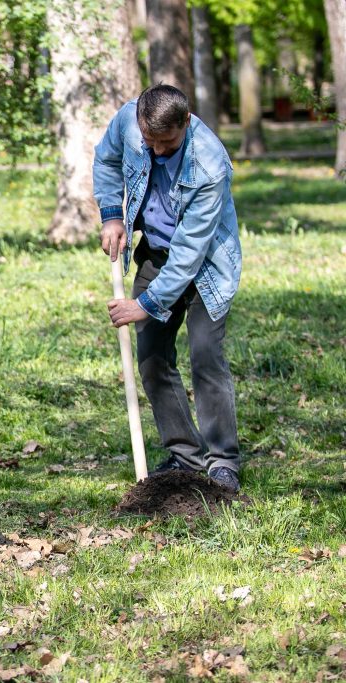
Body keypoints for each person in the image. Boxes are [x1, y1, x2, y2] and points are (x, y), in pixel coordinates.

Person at [93, 84, 243, 492]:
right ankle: (185, 456)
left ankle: (222, 462)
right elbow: (106, 160)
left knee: (205, 358)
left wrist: (145, 303)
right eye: (150, 142)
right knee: (152, 356)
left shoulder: (209, 163)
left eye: (168, 144)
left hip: (205, 268)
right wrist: (112, 215)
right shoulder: (128, 121)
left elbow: (190, 252)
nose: (157, 152)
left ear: (186, 122)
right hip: (156, 253)